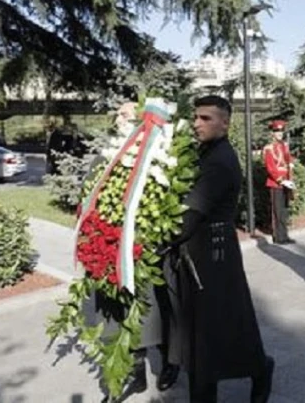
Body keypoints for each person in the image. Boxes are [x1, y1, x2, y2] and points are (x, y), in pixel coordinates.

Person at [164, 95, 274, 403]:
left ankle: (258, 370)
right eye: (196, 117)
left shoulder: (220, 161)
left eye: (206, 118)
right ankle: (255, 369)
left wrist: (153, 240)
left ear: (225, 123)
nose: (197, 123)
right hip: (201, 252)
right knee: (218, 328)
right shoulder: (206, 152)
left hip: (213, 256)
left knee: (214, 328)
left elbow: (189, 218)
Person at [86, 102, 180, 403]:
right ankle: (132, 373)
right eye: (117, 115)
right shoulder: (108, 158)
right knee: (118, 315)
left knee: (156, 313)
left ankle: (170, 363)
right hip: (112, 251)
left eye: (124, 115)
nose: (117, 120)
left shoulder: (161, 158)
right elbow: (91, 194)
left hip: (147, 253)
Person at [262, 119, 296, 245]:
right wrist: (282, 181)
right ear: (272, 133)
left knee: (284, 210)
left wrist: (291, 163)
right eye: (277, 131)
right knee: (277, 210)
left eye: (281, 131)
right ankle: (278, 236)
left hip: (286, 181)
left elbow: (287, 159)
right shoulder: (268, 148)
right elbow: (271, 168)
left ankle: (285, 235)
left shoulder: (284, 145)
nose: (279, 133)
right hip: (276, 183)